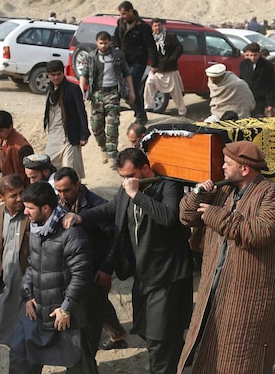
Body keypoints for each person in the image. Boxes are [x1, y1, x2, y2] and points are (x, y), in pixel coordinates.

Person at [75, 148, 193, 374]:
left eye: (131, 175)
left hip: (167, 275)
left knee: (161, 336)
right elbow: (111, 208)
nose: (127, 181)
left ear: (145, 169)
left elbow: (168, 217)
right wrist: (82, 217)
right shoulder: (128, 188)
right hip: (143, 275)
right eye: (123, 177)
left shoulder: (167, 185)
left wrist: (137, 195)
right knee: (149, 331)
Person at [178, 141, 275, 373]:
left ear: (244, 169)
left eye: (227, 163)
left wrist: (215, 215)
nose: (222, 167)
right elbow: (186, 217)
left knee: (241, 359)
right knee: (209, 352)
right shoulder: (223, 190)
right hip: (216, 288)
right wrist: (200, 194)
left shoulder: (273, 195)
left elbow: (258, 233)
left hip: (249, 297)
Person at [10, 181, 99, 374]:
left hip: (67, 317)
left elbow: (81, 277)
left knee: (80, 366)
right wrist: (27, 296)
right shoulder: (35, 230)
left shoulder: (72, 235)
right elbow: (32, 266)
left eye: (29, 208)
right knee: (20, 362)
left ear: (45, 208)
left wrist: (66, 308)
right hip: (38, 312)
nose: (25, 212)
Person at [55, 167, 128, 353]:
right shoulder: (58, 204)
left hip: (96, 268)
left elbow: (115, 239)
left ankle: (90, 350)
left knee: (95, 307)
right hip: (74, 268)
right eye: (59, 191)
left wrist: (106, 268)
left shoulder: (97, 206)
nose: (62, 195)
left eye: (66, 190)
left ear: (78, 185)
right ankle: (117, 334)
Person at [0, 174, 30, 346]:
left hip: (26, 278)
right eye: (13, 196)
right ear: (1, 198)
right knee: (5, 317)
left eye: (21, 193)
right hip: (6, 278)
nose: (20, 199)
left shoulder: (29, 214)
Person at [78, 32, 134, 166]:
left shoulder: (118, 56)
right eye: (100, 43)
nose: (103, 46)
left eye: (106, 43)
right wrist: (81, 90)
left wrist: (131, 91)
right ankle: (103, 148)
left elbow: (127, 73)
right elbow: (84, 75)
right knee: (96, 127)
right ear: (96, 42)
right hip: (97, 94)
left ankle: (113, 154)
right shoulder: (91, 57)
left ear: (110, 42)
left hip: (113, 93)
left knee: (112, 124)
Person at [43, 59, 90, 176]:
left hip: (70, 135)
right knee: (47, 167)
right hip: (54, 135)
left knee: (70, 172)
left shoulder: (73, 89)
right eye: (53, 75)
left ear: (63, 73)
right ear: (48, 75)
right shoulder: (49, 90)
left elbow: (81, 112)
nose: (56, 78)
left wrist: (84, 134)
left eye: (58, 74)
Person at [113, 1, 157, 124]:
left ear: (131, 11)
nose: (122, 16)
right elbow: (115, 37)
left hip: (138, 62)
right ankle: (138, 112)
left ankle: (141, 116)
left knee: (132, 87)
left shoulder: (143, 27)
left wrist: (154, 64)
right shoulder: (120, 23)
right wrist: (116, 46)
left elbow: (151, 46)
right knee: (124, 90)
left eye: (124, 14)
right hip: (124, 61)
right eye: (120, 14)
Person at [0, 110, 34, 188]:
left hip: (21, 189)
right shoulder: (2, 139)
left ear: (11, 127)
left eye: (0, 131)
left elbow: (31, 174)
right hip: (9, 186)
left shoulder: (22, 148)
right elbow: (0, 160)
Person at [144, 18, 186, 117]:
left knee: (176, 93)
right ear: (152, 27)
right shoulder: (150, 38)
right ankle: (148, 107)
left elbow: (179, 48)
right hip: (156, 69)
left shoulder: (170, 36)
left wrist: (172, 59)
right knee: (149, 83)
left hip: (170, 69)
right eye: (155, 26)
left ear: (162, 26)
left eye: (159, 25)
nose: (157, 28)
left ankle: (182, 111)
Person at [239, 42, 275, 117]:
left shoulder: (267, 66)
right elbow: (241, 81)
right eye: (251, 55)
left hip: (260, 100)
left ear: (259, 53)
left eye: (255, 55)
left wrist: (270, 103)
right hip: (246, 99)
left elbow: (272, 85)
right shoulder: (244, 64)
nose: (253, 58)